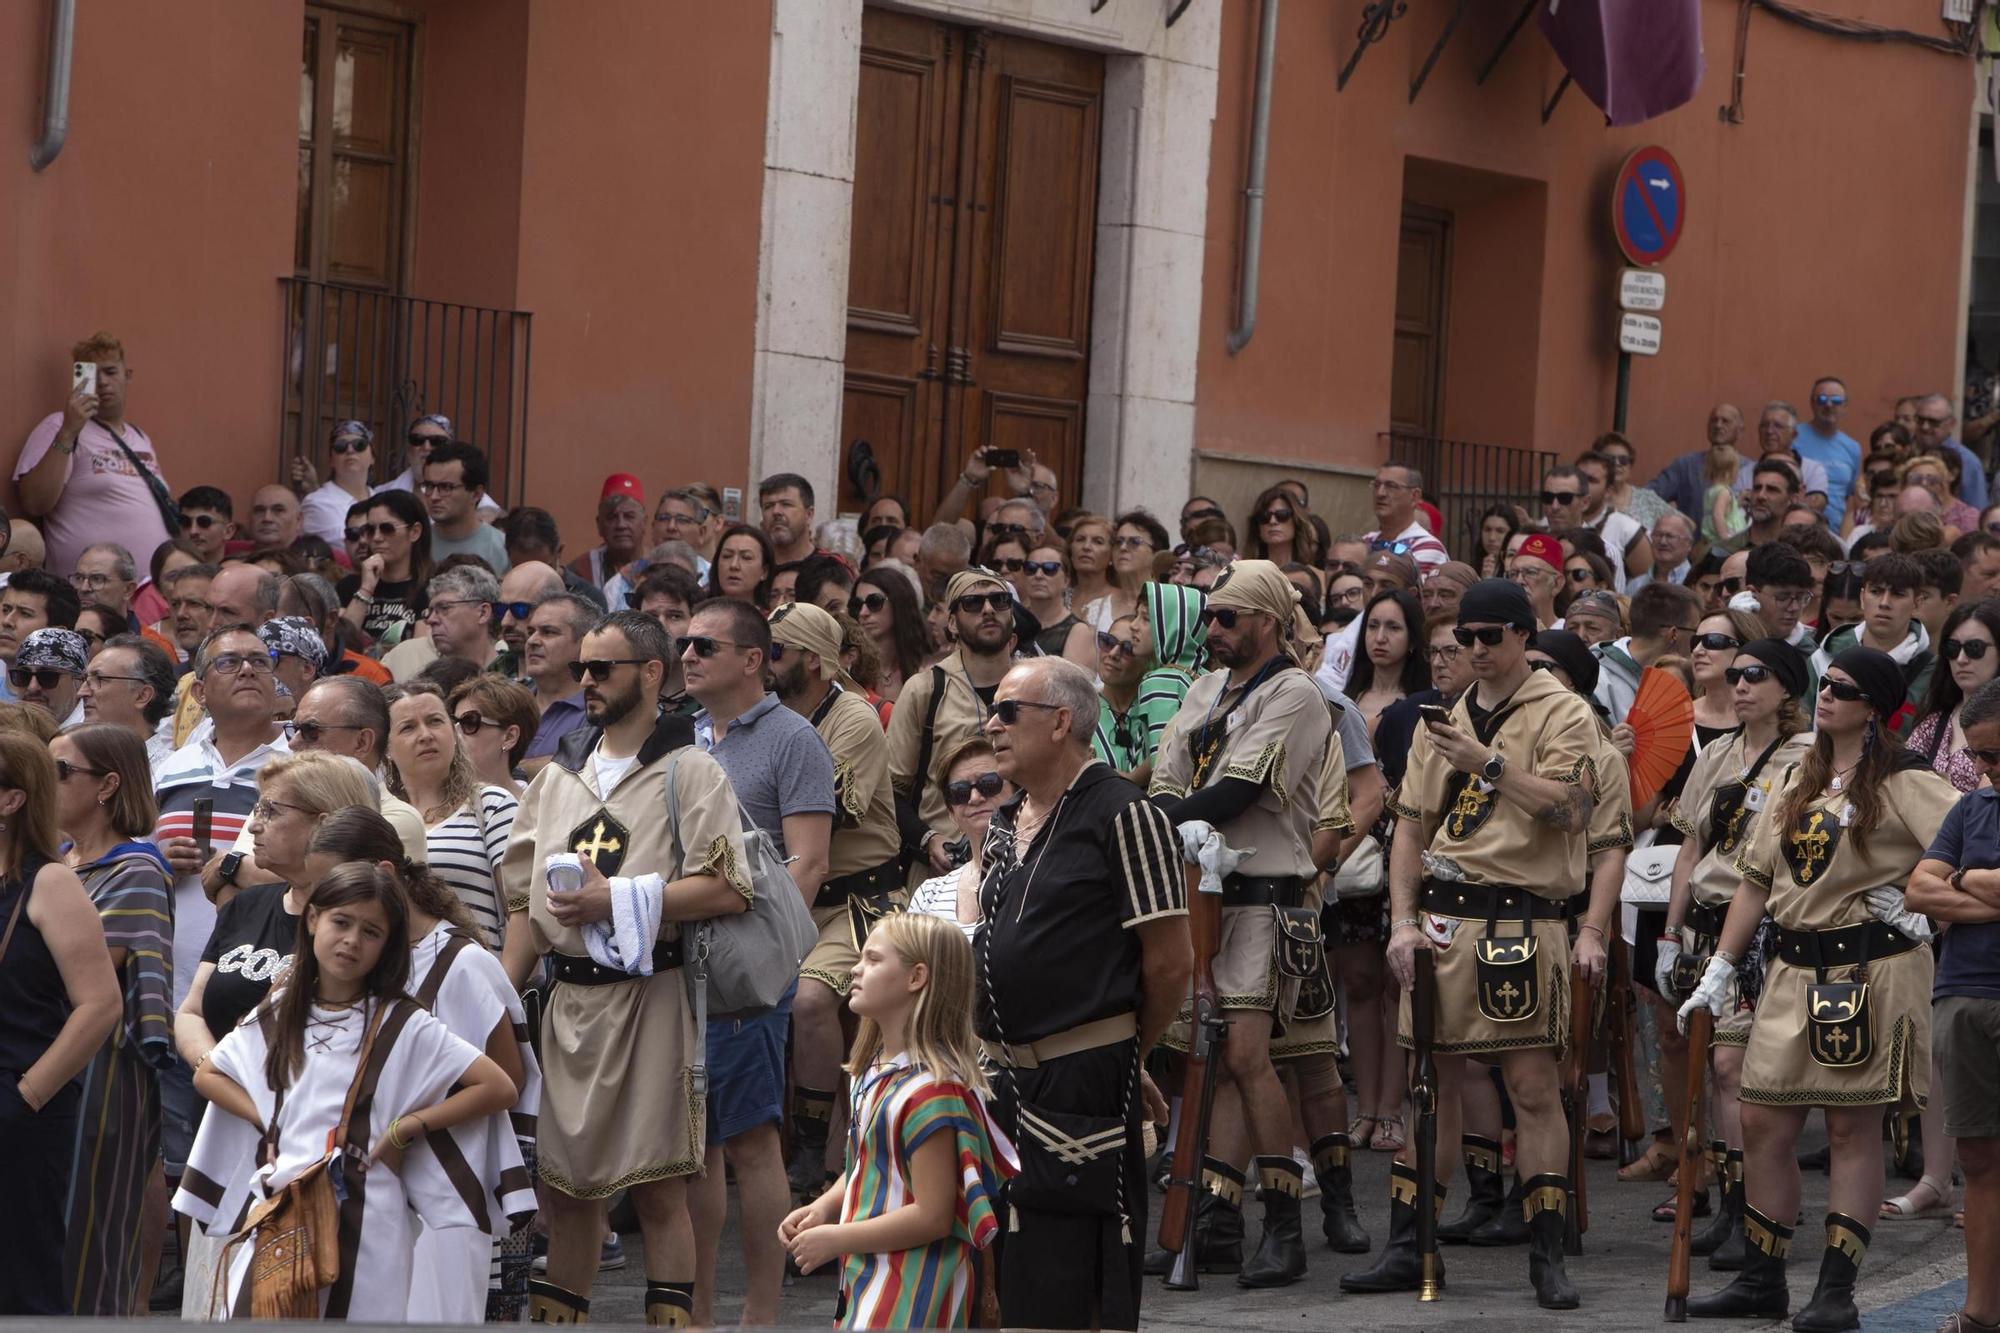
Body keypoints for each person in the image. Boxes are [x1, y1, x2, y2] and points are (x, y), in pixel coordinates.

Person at [1680, 647, 1957, 1329]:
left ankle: (1835, 1288)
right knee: (1762, 1117)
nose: (1826, 694)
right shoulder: (1800, 772)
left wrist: (1925, 900)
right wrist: (1720, 963)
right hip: (1791, 968)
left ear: (1874, 707)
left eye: (1843, 687)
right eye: (1824, 683)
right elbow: (1756, 878)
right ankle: (1761, 1275)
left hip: (1869, 968)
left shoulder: (1904, 777)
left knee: (1847, 1127)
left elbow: (1968, 843)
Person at [499, 609, 754, 1326]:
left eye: (601, 668)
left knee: (658, 1192)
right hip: (566, 1005)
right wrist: (497, 990)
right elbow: (523, 900)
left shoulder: (691, 768)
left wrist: (618, 897)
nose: (585, 680)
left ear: (649, 672)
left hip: (652, 996)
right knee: (568, 1193)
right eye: (581, 667)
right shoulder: (558, 775)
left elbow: (729, 886)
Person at [1351, 577, 1600, 1309]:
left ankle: (1546, 1251)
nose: (1478, 649)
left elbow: (1574, 809)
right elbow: (1410, 826)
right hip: (1442, 920)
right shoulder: (1446, 715)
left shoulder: (1563, 713)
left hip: (1523, 916)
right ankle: (1408, 1242)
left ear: (1525, 635)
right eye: (1467, 637)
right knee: (1431, 1084)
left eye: (1493, 635)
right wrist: (1400, 919)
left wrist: (1486, 762)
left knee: (1530, 1085)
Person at [172, 863, 519, 1320]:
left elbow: (497, 1085)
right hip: (283, 1211)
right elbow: (209, 1073)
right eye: (341, 922)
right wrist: (268, 1118)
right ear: (313, 919)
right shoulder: (280, 1009)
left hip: (372, 1219)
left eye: (371, 931)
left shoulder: (403, 1022)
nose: (352, 940)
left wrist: (405, 1128)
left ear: (387, 946)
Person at [975, 656, 1186, 1328]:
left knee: (1069, 1278)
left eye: (1009, 711)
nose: (992, 725)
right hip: (1002, 1078)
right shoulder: (1009, 818)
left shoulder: (1126, 813)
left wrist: (1130, 1050)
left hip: (1081, 1079)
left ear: (1061, 721)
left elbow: (1171, 962)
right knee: (1002, 1275)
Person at [1147, 560, 1332, 1288]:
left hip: (1263, 893)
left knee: (1249, 1055)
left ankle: (1284, 1225)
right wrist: (1157, 814)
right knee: (1209, 1056)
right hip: (1198, 891)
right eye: (1209, 617)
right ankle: (1214, 1222)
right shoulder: (1199, 688)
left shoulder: (1296, 692)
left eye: (1228, 617)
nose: (1214, 629)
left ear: (1268, 620)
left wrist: (1140, 820)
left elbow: (1243, 786)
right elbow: (1170, 778)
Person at [302, 807, 538, 1323]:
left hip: (449, 1188)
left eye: (334, 883)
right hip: (376, 1193)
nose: (321, 904)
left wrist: (409, 1128)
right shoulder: (362, 963)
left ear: (384, 874)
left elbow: (508, 1081)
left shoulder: (462, 960)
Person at [680, 597, 831, 1326]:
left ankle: (761, 1314)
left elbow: (807, 864)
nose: (687, 655)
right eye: (683, 643)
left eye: (704, 645)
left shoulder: (793, 737)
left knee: (749, 1142)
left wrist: (768, 963)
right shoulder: (680, 739)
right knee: (693, 1146)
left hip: (745, 972)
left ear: (752, 658)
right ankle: (699, 1309)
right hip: (678, 966)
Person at [1657, 637, 1811, 1266]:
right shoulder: (1716, 752)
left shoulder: (1805, 758)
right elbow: (1690, 849)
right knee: (1713, 1071)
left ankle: (1760, 1213)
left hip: (1762, 927)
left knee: (1741, 1072)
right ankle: (1730, 1199)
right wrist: (1669, 934)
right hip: (1703, 920)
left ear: (1787, 689)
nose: (1741, 685)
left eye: (1757, 676)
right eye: (1738, 674)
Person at [780, 913, 1012, 1328]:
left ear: (916, 977)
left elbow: (932, 1214)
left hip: (915, 1295)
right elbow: (867, 1166)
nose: (855, 967)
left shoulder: (932, 1094)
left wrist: (837, 1238)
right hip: (873, 1281)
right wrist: (825, 1206)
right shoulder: (873, 1070)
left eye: (872, 959)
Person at [768, 602, 903, 1202]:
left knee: (809, 1002)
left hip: (858, 901)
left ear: (814, 662)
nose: (766, 663)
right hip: (789, 893)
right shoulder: (764, 716)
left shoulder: (853, 716)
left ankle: (812, 1142)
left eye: (776, 652)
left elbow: (834, 809)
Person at [49, 724, 173, 1316]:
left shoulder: (137, 869)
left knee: (88, 1242)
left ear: (108, 786)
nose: (45, 784)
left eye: (61, 771)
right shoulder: (57, 863)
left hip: (99, 1077)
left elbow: (84, 974)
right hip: (38, 1056)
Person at [0, 731, 123, 1316]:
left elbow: (100, 1005)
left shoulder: (49, 882)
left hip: (20, 1111)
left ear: (12, 800)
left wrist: (25, 1097)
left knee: (20, 1280)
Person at [1906, 678, 2000, 1333]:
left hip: (1970, 986)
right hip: (1965, 991)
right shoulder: (1971, 810)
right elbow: (1917, 889)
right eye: (1982, 756)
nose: (1989, 769)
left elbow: (1939, 886)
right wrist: (1985, 885)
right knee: (1978, 1162)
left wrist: (1959, 880)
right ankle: (1981, 1309)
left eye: (1998, 754)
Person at [889, 570, 1016, 888]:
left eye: (999, 601)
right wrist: (927, 839)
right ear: (953, 623)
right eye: (972, 603)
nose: (988, 610)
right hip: (940, 870)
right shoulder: (924, 689)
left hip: (1022, 863)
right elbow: (889, 791)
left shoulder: (1036, 687)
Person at [13, 333, 172, 579]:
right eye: (92, 374)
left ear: (127, 375)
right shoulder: (57, 425)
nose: (102, 382)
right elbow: (35, 502)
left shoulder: (141, 438)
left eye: (110, 372)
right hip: (88, 592)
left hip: (148, 592)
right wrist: (69, 431)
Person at [384, 682, 517, 951]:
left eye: (435, 722)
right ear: (386, 748)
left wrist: (502, 986)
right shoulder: (379, 816)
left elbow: (521, 909)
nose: (425, 735)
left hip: (477, 979)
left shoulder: (491, 805)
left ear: (454, 733)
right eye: (408, 727)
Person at [906, 738, 1012, 938]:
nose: (975, 798)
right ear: (951, 813)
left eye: (988, 784)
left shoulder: (1037, 874)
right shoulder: (928, 895)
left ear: (1017, 792)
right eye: (960, 792)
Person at [338, 488, 433, 651]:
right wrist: (366, 589)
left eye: (387, 529)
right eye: (370, 530)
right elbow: (342, 644)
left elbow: (420, 654)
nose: (376, 537)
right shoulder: (348, 587)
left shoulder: (431, 588)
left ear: (414, 532)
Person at [383, 563, 503, 681]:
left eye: (445, 608)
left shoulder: (514, 667)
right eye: (430, 611)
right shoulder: (404, 658)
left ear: (483, 613)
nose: (431, 620)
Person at [521, 592, 597, 772]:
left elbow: (584, 768)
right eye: (530, 632)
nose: (531, 641)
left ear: (585, 642)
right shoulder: (507, 702)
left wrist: (509, 769)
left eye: (548, 632)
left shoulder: (600, 706)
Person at [80, 634, 178, 768]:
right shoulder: (79, 765)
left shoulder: (173, 774)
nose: (82, 692)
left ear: (142, 696)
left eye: (99, 679)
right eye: (85, 679)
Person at [1648, 404, 1750, 526]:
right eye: (1714, 420)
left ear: (1740, 431)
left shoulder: (1752, 469)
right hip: (1696, 543)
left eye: (1725, 421)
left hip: (1739, 543)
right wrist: (1675, 523)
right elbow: (1648, 496)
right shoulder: (1686, 466)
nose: (1718, 425)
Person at [1346, 588, 1427, 738]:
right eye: (1373, 626)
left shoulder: (1422, 706)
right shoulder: (1346, 699)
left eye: (1393, 627)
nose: (1380, 638)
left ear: (1412, 640)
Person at [422, 441, 511, 574]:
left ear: (476, 493)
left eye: (446, 487)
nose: (434, 496)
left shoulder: (503, 550)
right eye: (429, 486)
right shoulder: (413, 545)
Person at [0, 568, 81, 704]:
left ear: (56, 633)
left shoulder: (79, 707)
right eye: (5, 610)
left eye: (25, 613)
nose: (7, 621)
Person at [448, 674, 539, 793]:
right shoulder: (433, 801)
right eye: (453, 723)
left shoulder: (535, 808)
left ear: (510, 737)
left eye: (470, 722)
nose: (456, 733)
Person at [850, 568, 928, 703]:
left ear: (898, 603)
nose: (863, 612)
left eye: (874, 602)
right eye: (857, 604)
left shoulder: (925, 671)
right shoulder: (847, 667)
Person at [1794, 379, 1863, 528]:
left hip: (1835, 532)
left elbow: (1850, 497)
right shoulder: (1793, 437)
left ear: (1845, 406)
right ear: (1812, 403)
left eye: (1836, 400)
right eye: (1822, 399)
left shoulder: (1853, 448)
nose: (1829, 405)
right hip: (1799, 528)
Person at [298, 420, 378, 545]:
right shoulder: (317, 503)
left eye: (359, 444)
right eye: (340, 446)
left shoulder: (382, 500)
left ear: (372, 457)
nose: (350, 450)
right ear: (331, 460)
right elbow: (349, 546)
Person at [1362, 465, 1447, 574]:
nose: (1380, 493)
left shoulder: (1427, 547)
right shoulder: (1366, 540)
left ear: (1414, 496)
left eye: (1391, 486)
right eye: (1376, 485)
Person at [1912, 392, 1990, 510]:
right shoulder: (1906, 452)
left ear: (1951, 424)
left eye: (1933, 422)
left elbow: (1977, 512)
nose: (1925, 427)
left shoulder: (1967, 461)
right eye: (1920, 420)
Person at [571, 475, 647, 591]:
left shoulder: (659, 565)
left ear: (644, 522)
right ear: (599, 525)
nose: (621, 525)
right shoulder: (582, 569)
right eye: (612, 517)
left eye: (629, 516)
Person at [12, 627, 89, 726]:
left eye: (47, 677)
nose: (32, 687)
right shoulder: (9, 729)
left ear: (79, 682)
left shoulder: (94, 736)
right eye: (23, 676)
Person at [705, 522, 776, 608]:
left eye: (746, 557)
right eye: (727, 556)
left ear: (764, 571)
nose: (734, 565)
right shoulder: (698, 615)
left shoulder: (773, 620)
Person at [760, 472, 819, 566]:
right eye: (768, 506)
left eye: (786, 504)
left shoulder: (831, 570)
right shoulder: (753, 568)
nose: (776, 511)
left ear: (809, 515)